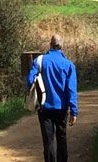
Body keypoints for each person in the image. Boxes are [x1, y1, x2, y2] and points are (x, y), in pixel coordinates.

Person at [26, 33, 78, 162]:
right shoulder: (68, 65)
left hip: (45, 107)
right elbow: (71, 90)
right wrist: (74, 111)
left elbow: (29, 80)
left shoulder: (39, 61)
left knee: (48, 140)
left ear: (50, 44)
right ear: (62, 46)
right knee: (62, 137)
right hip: (62, 108)